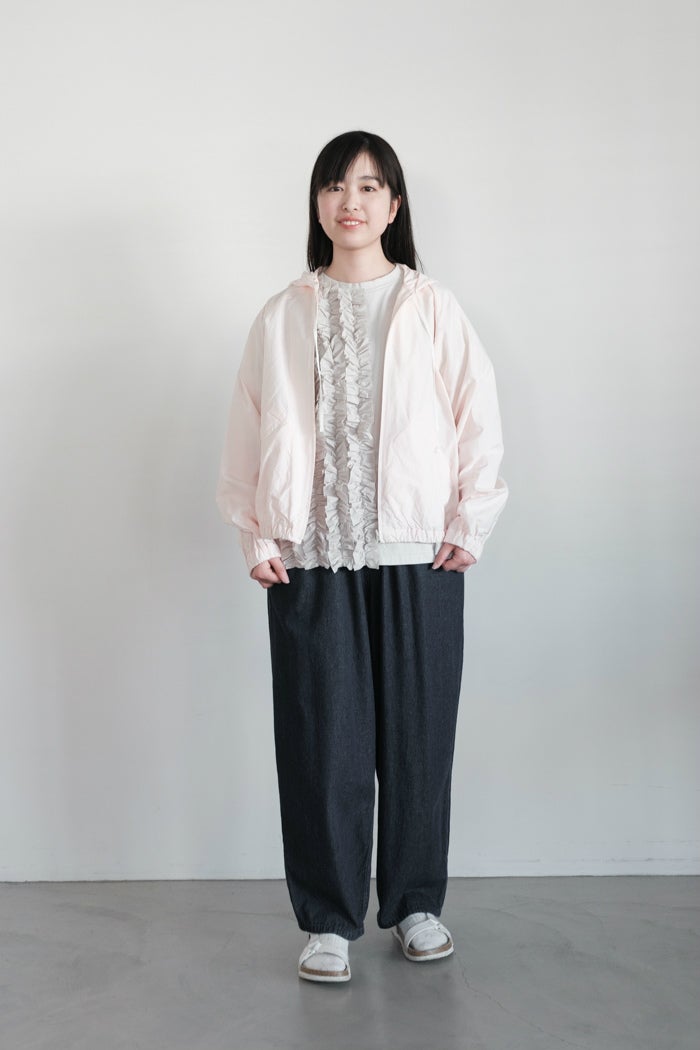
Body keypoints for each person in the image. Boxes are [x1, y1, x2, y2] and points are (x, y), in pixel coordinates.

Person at [216, 130, 508, 984]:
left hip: (421, 553)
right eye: (336, 186)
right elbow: (248, 426)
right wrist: (256, 531)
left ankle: (415, 904)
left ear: (394, 205)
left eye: (370, 186)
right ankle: (328, 920)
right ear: (317, 203)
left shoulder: (431, 306)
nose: (352, 201)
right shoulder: (283, 314)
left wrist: (472, 520)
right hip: (310, 554)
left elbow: (477, 417)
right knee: (322, 740)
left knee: (419, 738)